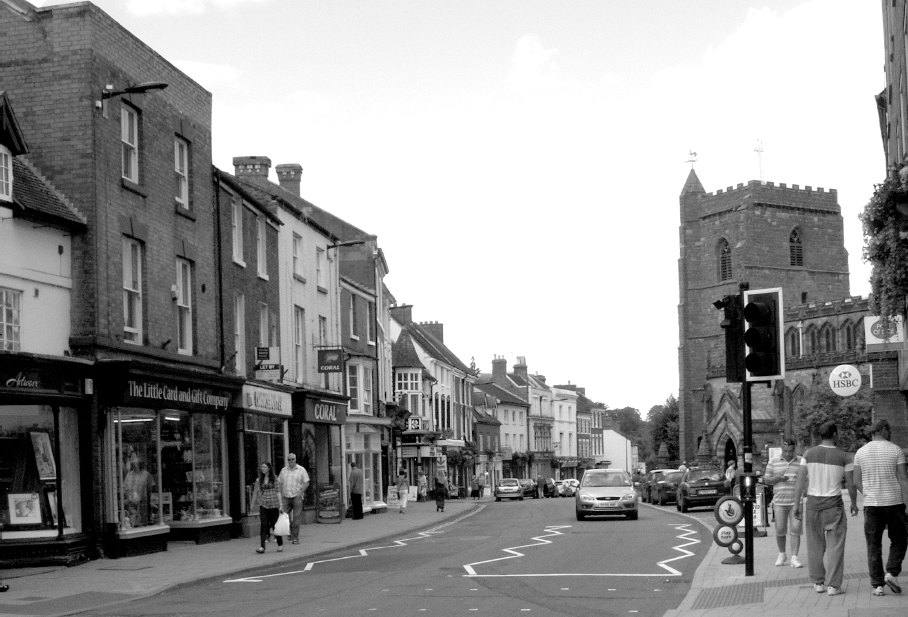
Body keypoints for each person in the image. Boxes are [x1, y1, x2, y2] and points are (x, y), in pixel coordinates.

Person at [793, 422, 858, 597]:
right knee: (835, 546)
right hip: (834, 506)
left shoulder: (808, 454)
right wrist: (854, 503)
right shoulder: (844, 457)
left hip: (813, 505)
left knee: (814, 545)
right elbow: (850, 484)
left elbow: (800, 481)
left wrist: (796, 505)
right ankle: (833, 585)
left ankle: (818, 582)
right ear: (835, 435)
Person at [854, 419, 908, 596]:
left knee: (873, 544)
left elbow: (856, 480)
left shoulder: (861, 453)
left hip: (872, 505)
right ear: (884, 430)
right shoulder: (895, 450)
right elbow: (903, 478)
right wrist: (907, 503)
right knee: (900, 539)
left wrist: (868, 492)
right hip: (894, 502)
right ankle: (891, 572)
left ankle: (877, 585)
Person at [765, 439, 803, 568]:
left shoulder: (801, 461)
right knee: (780, 529)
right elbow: (766, 480)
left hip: (796, 502)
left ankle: (794, 557)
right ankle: (782, 553)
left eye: (791, 451)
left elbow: (805, 479)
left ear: (795, 449)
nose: (788, 454)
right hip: (779, 502)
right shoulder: (773, 461)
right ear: (782, 449)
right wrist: (777, 478)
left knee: (796, 530)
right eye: (785, 451)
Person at [277, 453, 309, 544]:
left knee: (296, 518)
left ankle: (295, 538)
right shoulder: (284, 470)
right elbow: (279, 482)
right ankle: (291, 532)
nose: (291, 461)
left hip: (296, 497)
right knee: (285, 517)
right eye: (289, 460)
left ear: (295, 459)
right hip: (286, 497)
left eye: (292, 459)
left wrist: (300, 493)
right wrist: (281, 493)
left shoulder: (301, 470)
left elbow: (306, 483)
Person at [253, 462, 283, 554]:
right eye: (262, 467)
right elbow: (258, 492)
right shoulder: (259, 480)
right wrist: (255, 502)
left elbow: (278, 491)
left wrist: (281, 505)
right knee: (264, 525)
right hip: (264, 505)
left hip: (273, 505)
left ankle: (280, 543)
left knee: (274, 526)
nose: (263, 468)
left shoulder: (274, 478)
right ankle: (262, 546)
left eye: (264, 467)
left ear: (269, 468)